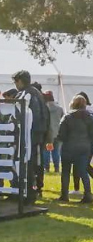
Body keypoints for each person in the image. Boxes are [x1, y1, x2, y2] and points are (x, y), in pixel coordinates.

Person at [12, 70, 52, 204]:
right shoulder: (38, 94)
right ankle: (32, 192)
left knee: (25, 165)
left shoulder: (25, 94)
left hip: (27, 135)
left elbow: (17, 114)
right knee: (34, 166)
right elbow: (45, 114)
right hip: (37, 135)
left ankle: (26, 194)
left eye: (16, 81)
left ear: (20, 81)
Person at [56, 95, 93, 203]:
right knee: (83, 171)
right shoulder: (90, 117)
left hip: (68, 147)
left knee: (65, 171)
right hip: (84, 147)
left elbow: (61, 134)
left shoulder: (67, 117)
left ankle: (64, 195)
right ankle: (88, 195)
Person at [43, 91, 63, 174]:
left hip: (47, 132)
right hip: (57, 132)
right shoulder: (59, 108)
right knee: (56, 151)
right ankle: (57, 168)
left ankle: (46, 168)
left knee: (46, 151)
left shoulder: (44, 108)